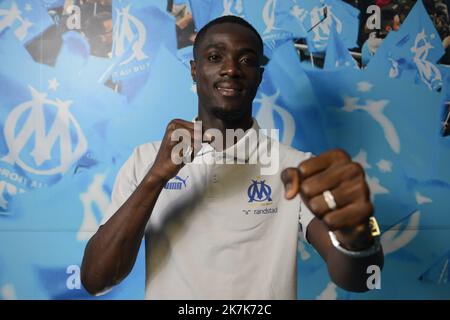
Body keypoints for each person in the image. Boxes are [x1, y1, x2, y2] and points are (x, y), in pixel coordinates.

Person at [81, 15, 384, 299]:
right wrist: (155, 178)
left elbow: (362, 278)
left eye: (247, 60)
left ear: (258, 76)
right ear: (194, 69)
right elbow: (96, 280)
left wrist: (362, 233)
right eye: (215, 57)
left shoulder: (295, 167)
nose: (231, 69)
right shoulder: (145, 160)